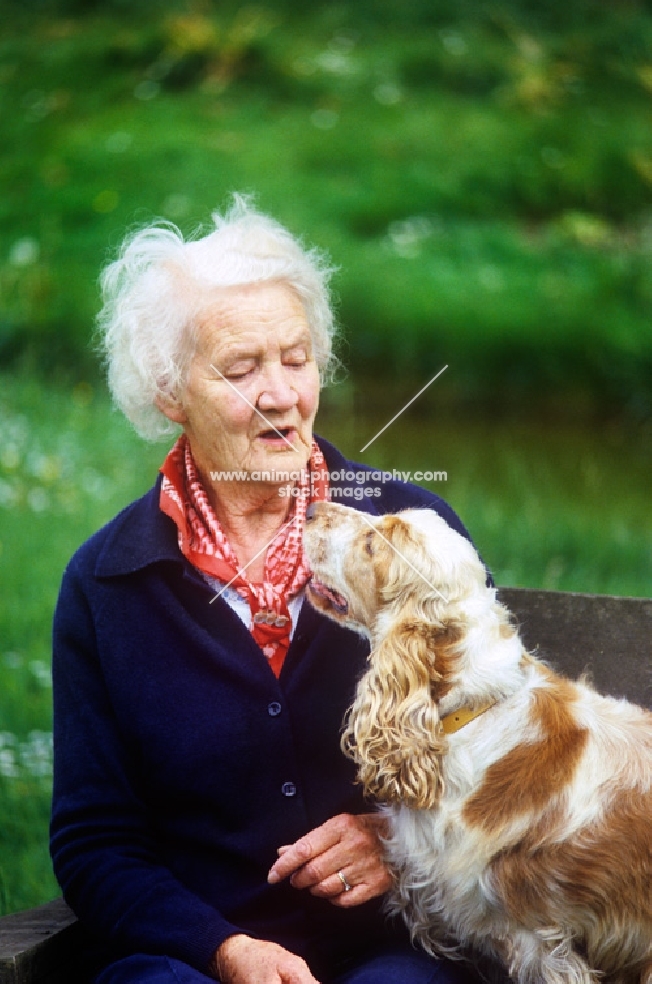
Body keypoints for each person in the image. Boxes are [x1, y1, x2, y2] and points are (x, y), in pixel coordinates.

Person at [50, 197, 494, 984]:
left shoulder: (412, 532)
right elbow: (96, 843)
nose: (282, 392)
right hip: (191, 957)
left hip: (397, 943)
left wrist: (396, 839)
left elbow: (501, 747)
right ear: (168, 392)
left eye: (296, 357)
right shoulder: (108, 582)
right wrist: (225, 950)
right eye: (242, 368)